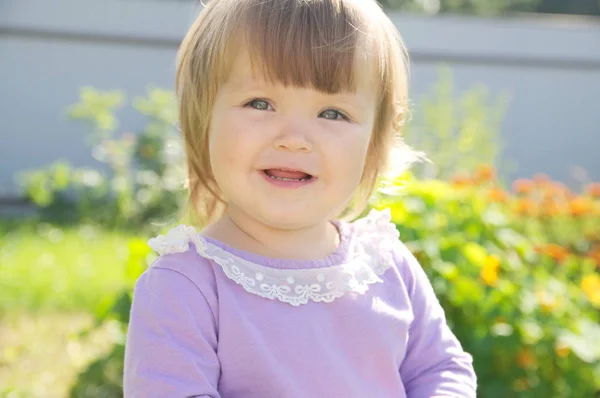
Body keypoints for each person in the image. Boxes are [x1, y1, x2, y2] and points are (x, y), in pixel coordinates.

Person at [123, 0, 477, 396]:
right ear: (203, 118)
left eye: (332, 113)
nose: (293, 138)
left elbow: (442, 370)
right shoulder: (186, 287)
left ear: (374, 143)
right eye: (260, 104)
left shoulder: (387, 266)